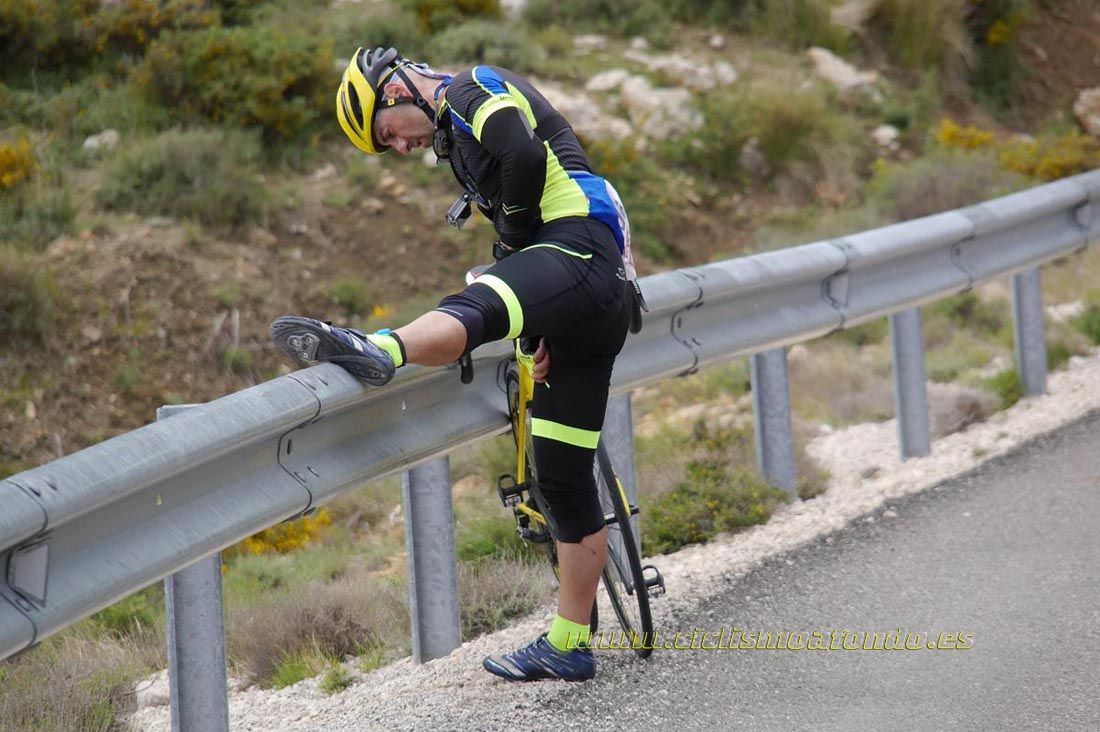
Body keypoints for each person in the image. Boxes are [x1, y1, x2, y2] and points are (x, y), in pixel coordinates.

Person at [270, 46, 642, 682]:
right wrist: (544, 311)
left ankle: (378, 348)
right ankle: (570, 642)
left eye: (388, 135)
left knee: (475, 303)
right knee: (561, 478)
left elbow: (524, 156)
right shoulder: (457, 135)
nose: (400, 148)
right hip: (596, 291)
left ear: (395, 93)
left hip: (575, 244)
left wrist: (516, 250)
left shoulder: (471, 89)